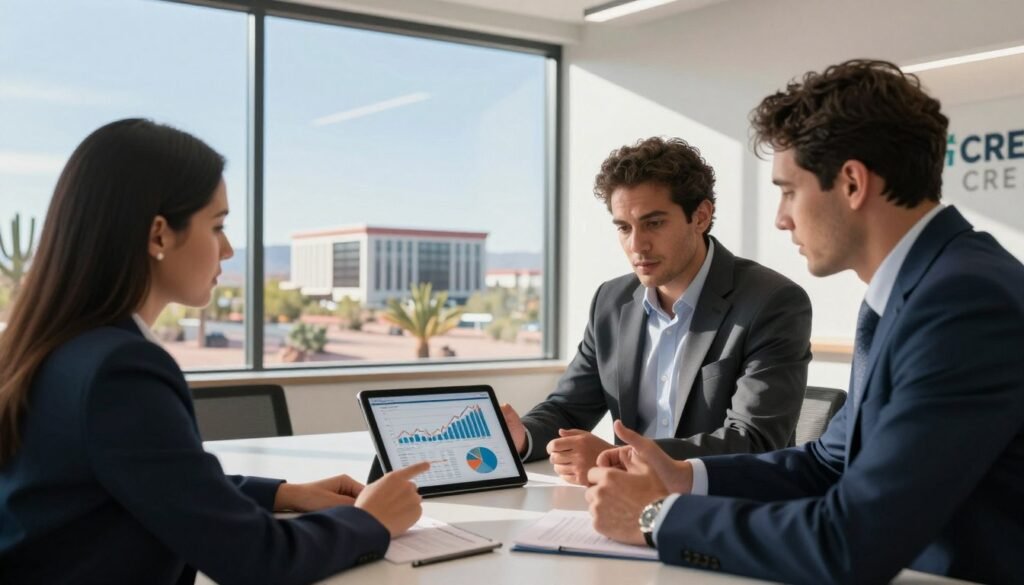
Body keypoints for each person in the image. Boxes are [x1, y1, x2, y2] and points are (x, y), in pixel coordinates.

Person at [586, 59, 1024, 585]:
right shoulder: (917, 289)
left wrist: (657, 518)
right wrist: (683, 476)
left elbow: (852, 541)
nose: (781, 217)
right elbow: (827, 463)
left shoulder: (963, 303)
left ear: (853, 183)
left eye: (789, 190)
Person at [0, 119, 429, 585]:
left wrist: (284, 494)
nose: (227, 250)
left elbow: (149, 476)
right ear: (159, 235)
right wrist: (371, 521)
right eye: (218, 225)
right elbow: (258, 560)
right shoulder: (119, 370)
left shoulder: (56, 346)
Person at [502, 136, 812, 485]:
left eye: (654, 223)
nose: (637, 245)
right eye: (624, 227)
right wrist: (522, 436)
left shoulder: (772, 301)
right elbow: (568, 407)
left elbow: (754, 441)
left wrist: (621, 459)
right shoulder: (611, 301)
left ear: (700, 217)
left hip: (721, 504)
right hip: (624, 502)